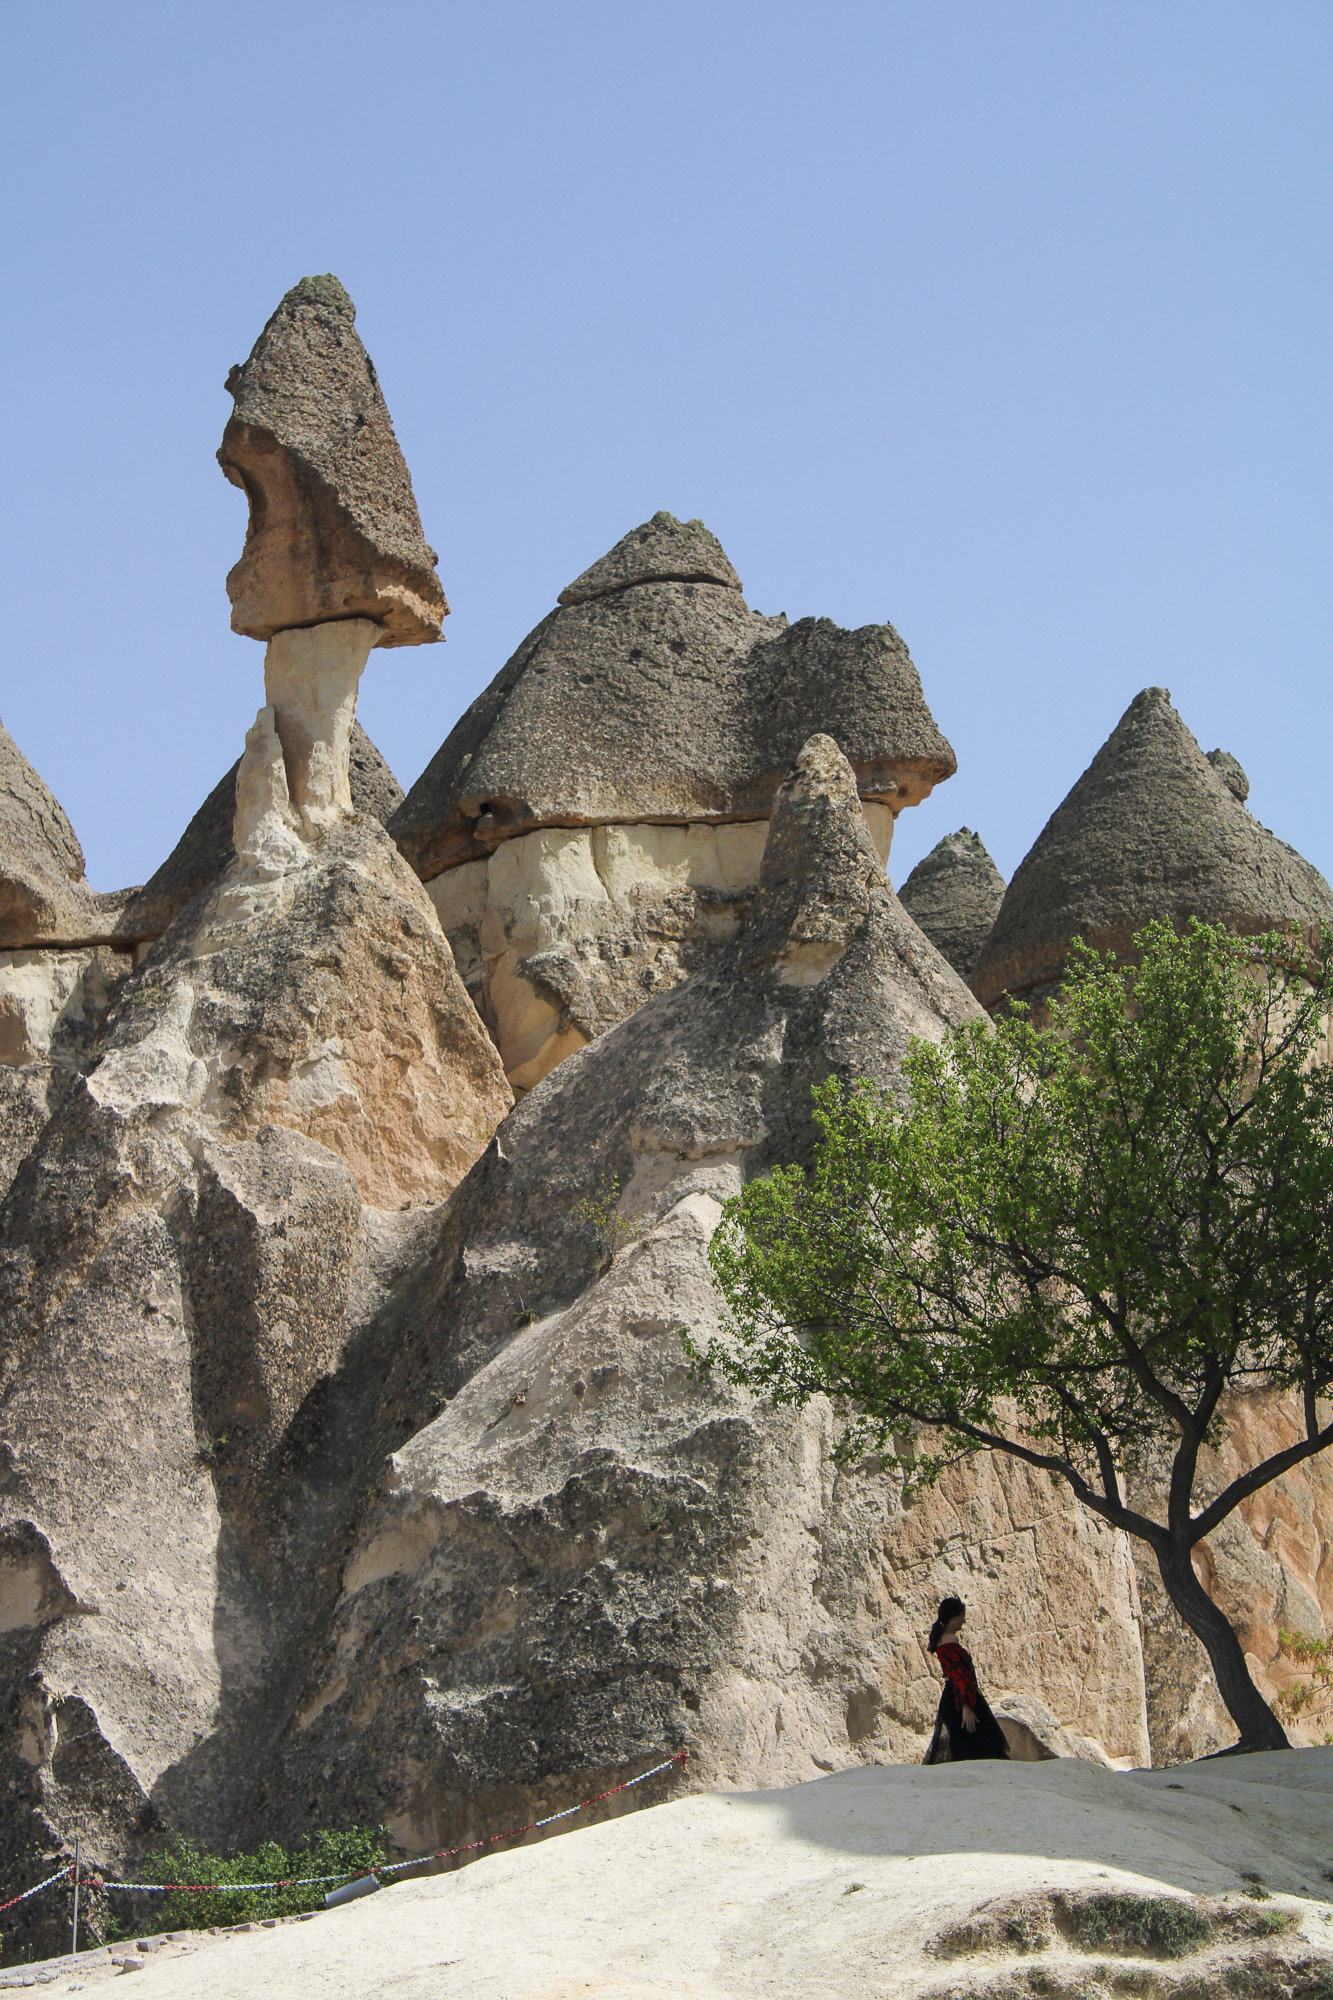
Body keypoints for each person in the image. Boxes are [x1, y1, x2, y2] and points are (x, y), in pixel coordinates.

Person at [922, 1596, 1011, 1764]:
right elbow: (959, 1676)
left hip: (952, 1698)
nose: (964, 1620)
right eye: (962, 1616)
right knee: (984, 1741)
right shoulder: (951, 1641)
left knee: (964, 1745)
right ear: (955, 1619)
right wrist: (966, 1707)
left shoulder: (941, 1639)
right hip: (960, 1698)